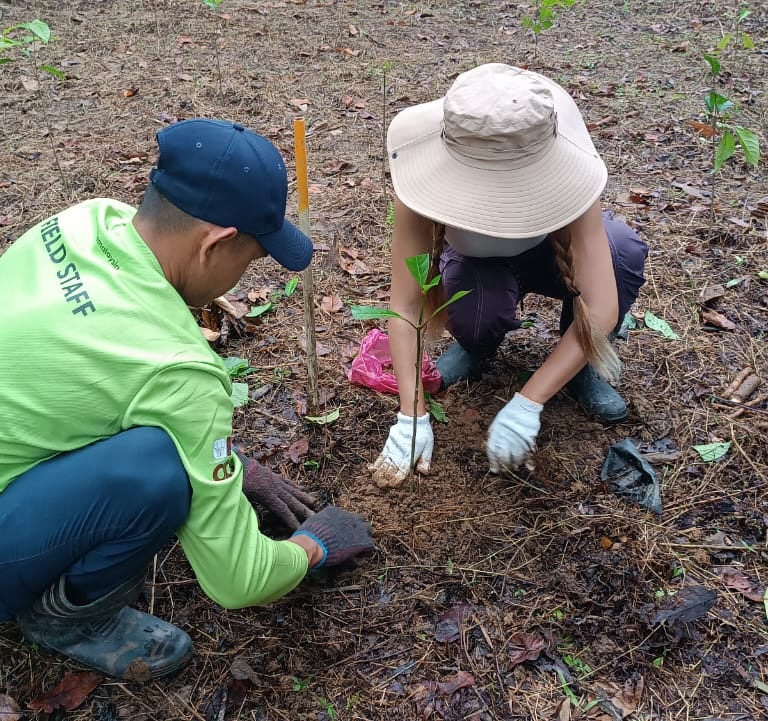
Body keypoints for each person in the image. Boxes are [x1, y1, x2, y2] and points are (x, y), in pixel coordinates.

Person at [0, 118, 374, 680]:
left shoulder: (82, 221)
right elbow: (240, 580)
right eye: (250, 260)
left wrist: (234, 467)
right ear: (217, 243)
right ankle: (69, 620)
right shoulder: (180, 370)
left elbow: (90, 374)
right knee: (157, 472)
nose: (244, 275)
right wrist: (314, 547)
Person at [370, 63, 648, 487]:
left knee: (622, 251)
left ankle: (582, 364)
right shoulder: (420, 179)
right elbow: (405, 303)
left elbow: (603, 305)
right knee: (477, 314)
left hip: (550, 258)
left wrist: (528, 402)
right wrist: (411, 414)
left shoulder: (569, 171)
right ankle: (476, 345)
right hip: (480, 265)